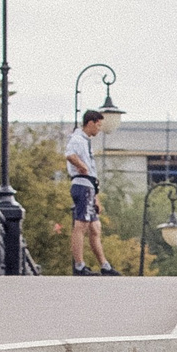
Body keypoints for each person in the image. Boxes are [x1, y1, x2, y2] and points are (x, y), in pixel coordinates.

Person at [63, 109, 116, 276]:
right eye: (98, 125)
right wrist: (81, 165)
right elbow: (69, 154)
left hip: (90, 187)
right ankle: (79, 265)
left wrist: (96, 198)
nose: (99, 130)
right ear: (90, 123)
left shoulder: (85, 141)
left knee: (95, 227)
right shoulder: (77, 139)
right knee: (81, 225)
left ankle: (104, 265)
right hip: (82, 185)